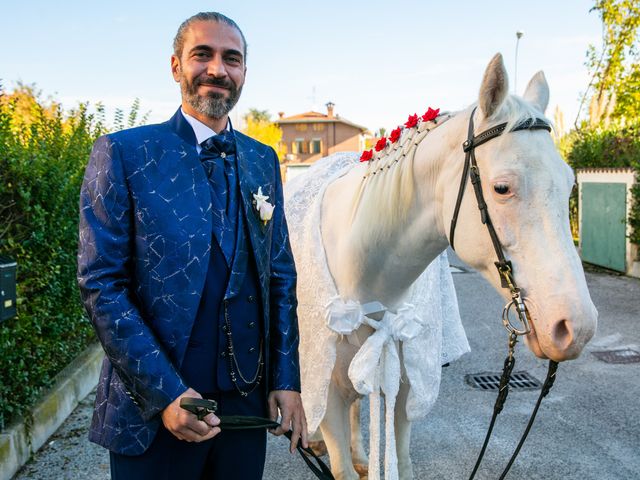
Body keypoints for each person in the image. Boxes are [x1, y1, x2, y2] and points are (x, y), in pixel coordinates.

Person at [77, 12, 307, 479]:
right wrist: (164, 394)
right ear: (176, 66)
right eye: (202, 54)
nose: (218, 69)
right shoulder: (123, 152)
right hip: (154, 405)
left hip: (245, 403)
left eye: (232, 58)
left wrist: (286, 378)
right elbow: (101, 283)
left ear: (243, 71)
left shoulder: (263, 159)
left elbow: (280, 275)